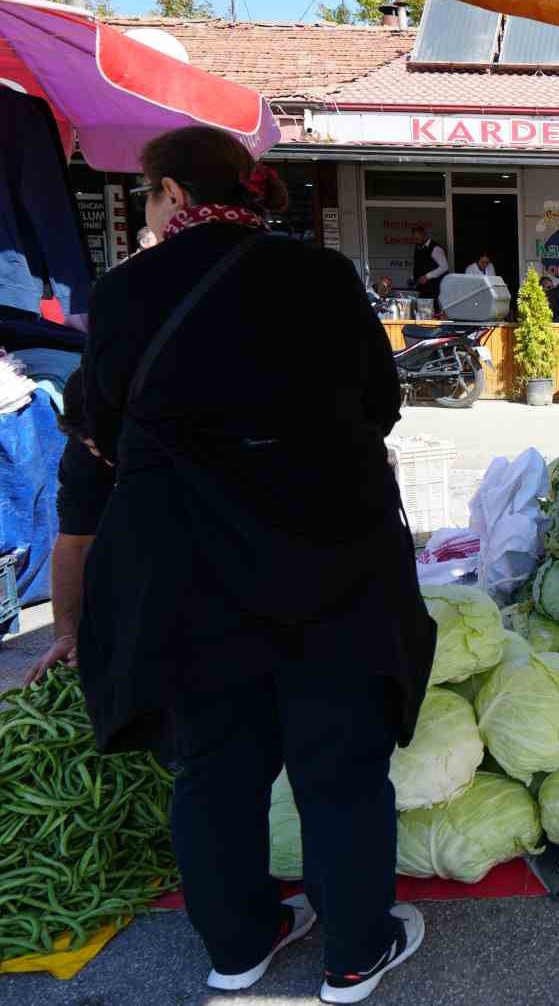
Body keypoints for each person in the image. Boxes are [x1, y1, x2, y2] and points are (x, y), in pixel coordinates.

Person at [77, 127, 435, 1002]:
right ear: (250, 186)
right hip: (328, 553)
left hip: (186, 568)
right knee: (340, 761)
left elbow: (101, 427)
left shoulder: (124, 293)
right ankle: (354, 954)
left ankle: (237, 947)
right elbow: (379, 403)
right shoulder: (319, 276)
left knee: (214, 766)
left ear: (166, 193)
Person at [22, 371, 114, 687]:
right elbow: (75, 541)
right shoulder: (88, 448)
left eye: (100, 444)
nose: (97, 453)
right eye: (88, 445)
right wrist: (66, 634)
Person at [410, 224, 448, 301]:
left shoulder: (435, 248)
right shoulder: (418, 247)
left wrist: (427, 276)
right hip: (422, 289)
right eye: (414, 238)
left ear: (424, 236)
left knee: (432, 310)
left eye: (417, 238)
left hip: (434, 289)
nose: (415, 240)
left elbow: (445, 267)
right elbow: (419, 265)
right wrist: (413, 277)